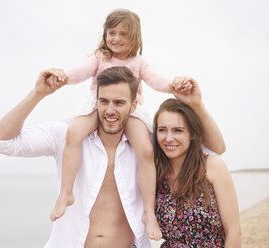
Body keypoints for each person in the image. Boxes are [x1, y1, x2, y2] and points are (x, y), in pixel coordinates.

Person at [0, 66, 225, 247]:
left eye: (119, 103)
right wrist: (37, 94)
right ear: (96, 101)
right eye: (104, 101)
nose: (110, 110)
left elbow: (214, 149)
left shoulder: (150, 144)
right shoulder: (67, 135)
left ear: (133, 107)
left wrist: (198, 105)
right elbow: (1, 142)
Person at [49, 9, 191, 240]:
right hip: (99, 107)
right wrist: (62, 75)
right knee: (73, 133)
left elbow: (157, 80)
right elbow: (79, 72)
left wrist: (175, 84)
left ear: (134, 37)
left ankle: (148, 212)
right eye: (111, 33)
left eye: (123, 34)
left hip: (130, 112)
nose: (115, 39)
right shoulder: (99, 58)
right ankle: (66, 193)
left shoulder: (138, 62)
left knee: (145, 149)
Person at [153, 80, 241, 247]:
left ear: (192, 133)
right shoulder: (156, 174)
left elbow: (234, 233)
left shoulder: (212, 166)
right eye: (162, 129)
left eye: (178, 130)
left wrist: (197, 104)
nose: (169, 138)